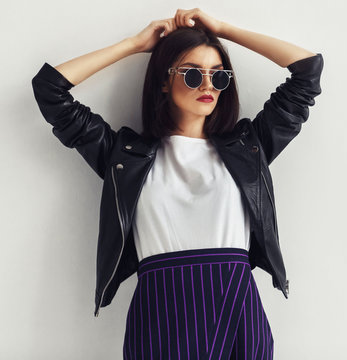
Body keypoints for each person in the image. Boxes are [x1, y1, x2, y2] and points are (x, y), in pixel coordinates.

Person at [31, 7, 323, 360]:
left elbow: (307, 70)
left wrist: (222, 31)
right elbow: (49, 90)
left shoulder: (249, 148)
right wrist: (135, 44)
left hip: (237, 306)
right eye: (191, 74)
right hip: (161, 310)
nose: (206, 86)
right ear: (164, 81)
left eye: (218, 76)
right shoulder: (125, 157)